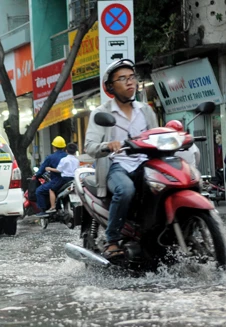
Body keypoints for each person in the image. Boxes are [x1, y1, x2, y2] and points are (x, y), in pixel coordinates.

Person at [85, 59, 158, 259]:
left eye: (132, 77)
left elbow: (156, 135)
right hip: (117, 165)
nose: (130, 82)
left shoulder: (146, 110)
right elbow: (89, 147)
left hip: (145, 163)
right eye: (123, 78)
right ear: (110, 86)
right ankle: (112, 240)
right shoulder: (101, 113)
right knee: (125, 189)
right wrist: (107, 146)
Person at [34, 136, 67, 216]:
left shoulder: (51, 157)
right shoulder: (68, 156)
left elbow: (41, 170)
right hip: (69, 181)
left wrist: (36, 175)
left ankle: (43, 211)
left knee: (39, 191)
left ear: (54, 146)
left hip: (57, 181)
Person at [45, 143, 80, 212]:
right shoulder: (77, 160)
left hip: (65, 179)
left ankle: (53, 207)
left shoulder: (64, 159)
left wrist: (49, 168)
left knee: (51, 190)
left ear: (66, 151)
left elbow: (59, 170)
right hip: (74, 179)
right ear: (75, 151)